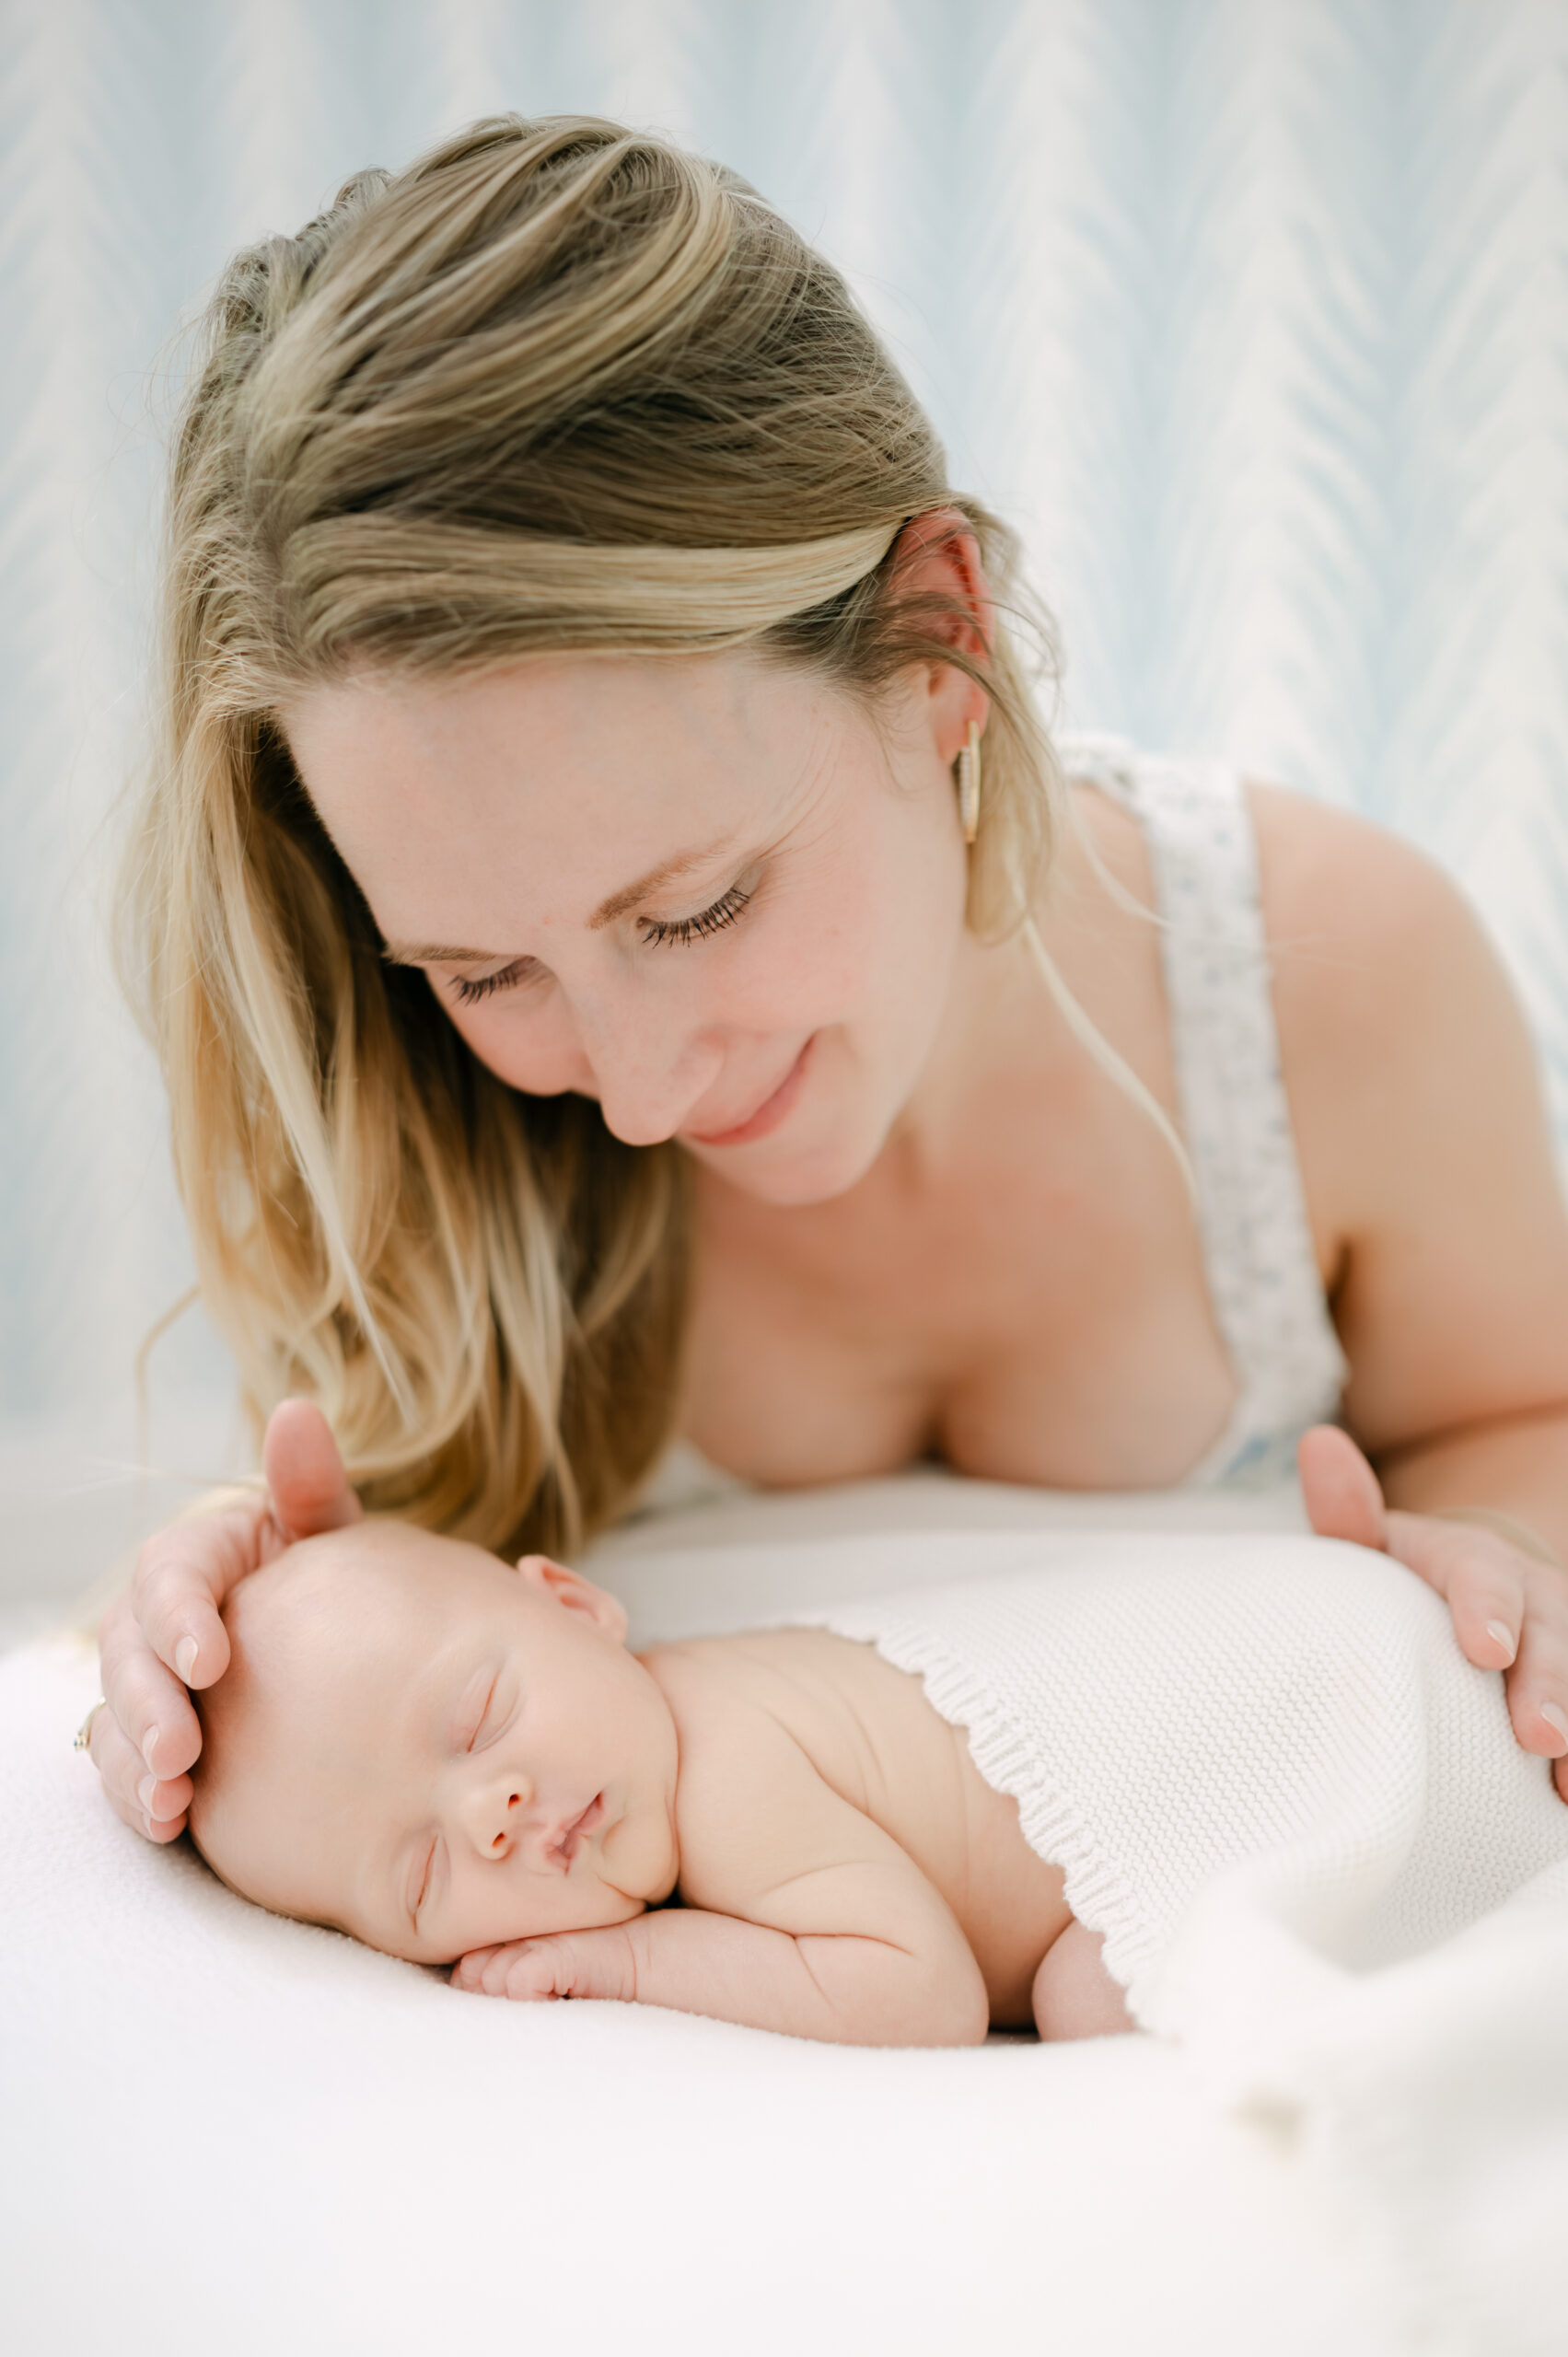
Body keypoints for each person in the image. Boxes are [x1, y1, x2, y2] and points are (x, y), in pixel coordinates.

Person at [87, 113, 1568, 1851]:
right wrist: (266, 1614)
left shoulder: (1337, 978)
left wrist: (1508, 1559)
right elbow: (404, 1603)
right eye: (487, 971)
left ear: (942, 639)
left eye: (698, 909)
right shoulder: (398, 1104)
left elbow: (1517, 1413)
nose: (637, 1096)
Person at [183, 1409, 1568, 2049]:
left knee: (1105, 1996)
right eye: (423, 1880)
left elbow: (920, 1993)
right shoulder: (676, 1706)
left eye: (479, 1717)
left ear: (578, 1603)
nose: (487, 1812)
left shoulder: (721, 1768)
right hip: (1341, 1628)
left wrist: (632, 1960)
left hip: (1328, 1700)